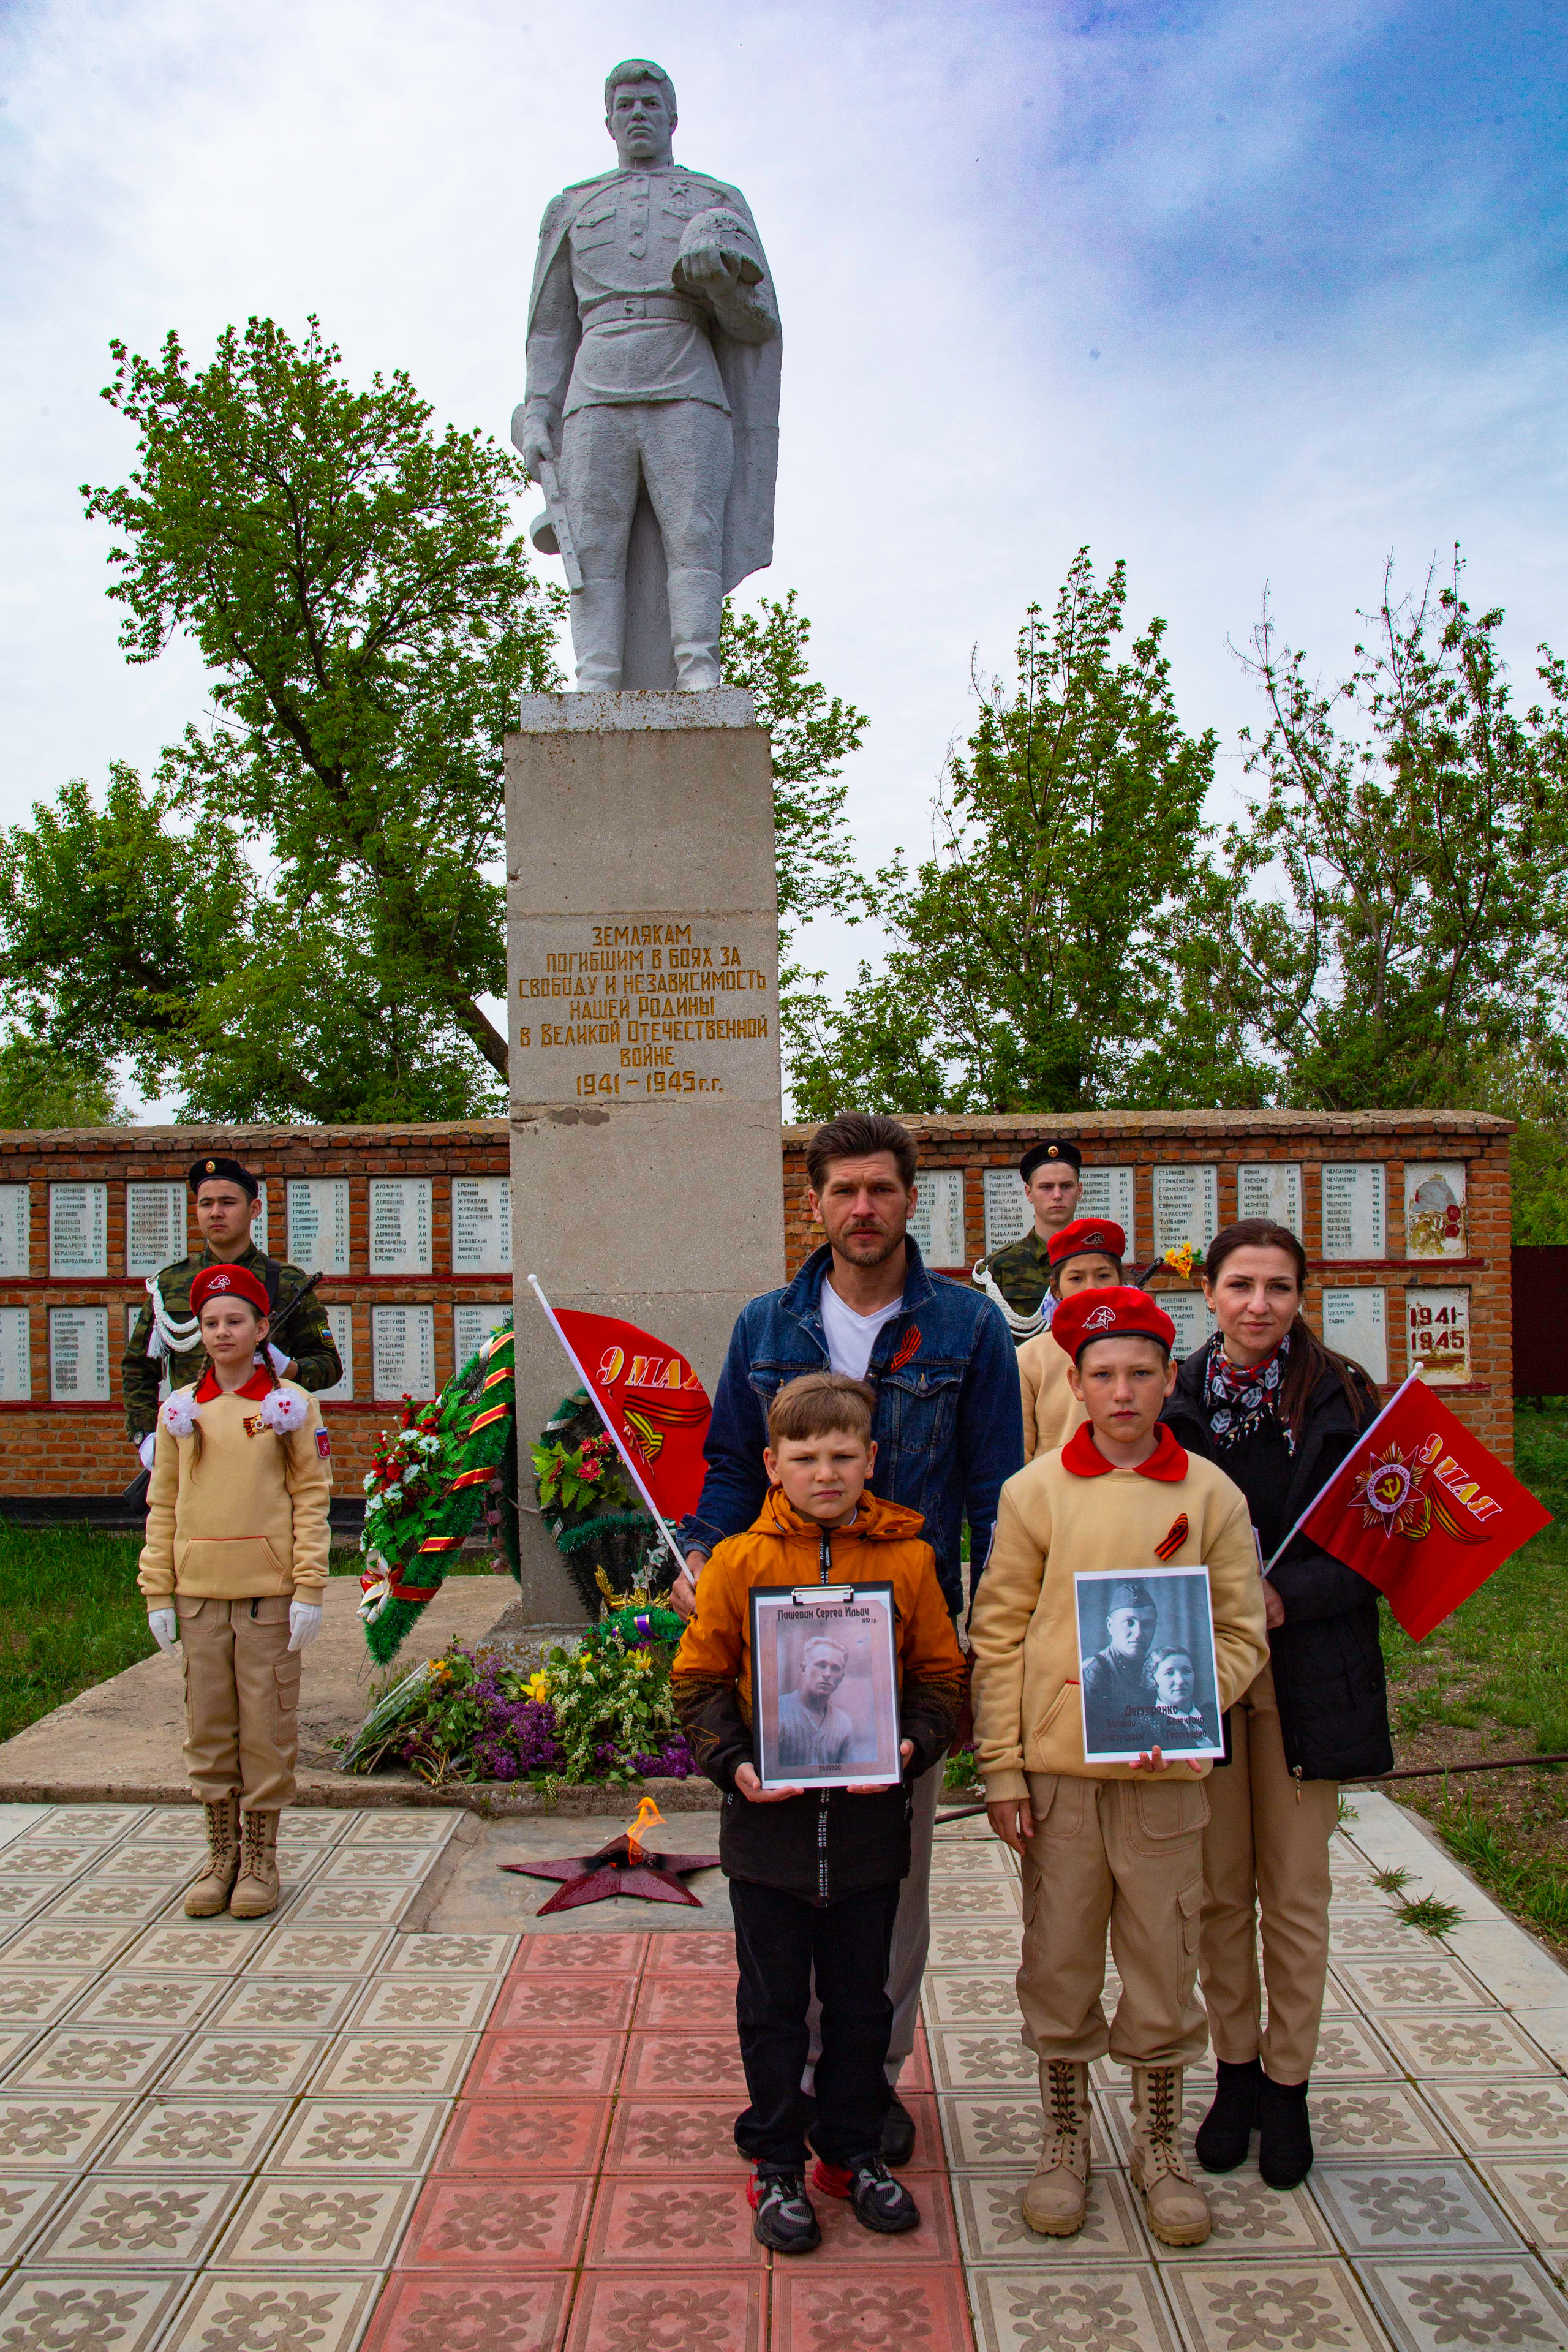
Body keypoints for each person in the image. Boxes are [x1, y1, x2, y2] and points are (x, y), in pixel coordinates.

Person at [673, 1110, 1023, 2166]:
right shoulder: (765, 1325)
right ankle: (794, 2078)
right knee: (783, 1876)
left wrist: (986, 1613)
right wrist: (701, 1551)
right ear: (814, 1202)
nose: (862, 1209)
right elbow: (734, 1463)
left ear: (911, 1198)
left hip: (897, 1637)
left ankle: (867, 2082)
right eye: (843, 1191)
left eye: (881, 1188)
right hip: (780, 1641)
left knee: (890, 1881)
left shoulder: (967, 1329)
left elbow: (994, 1485)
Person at [969, 1287, 1268, 2248]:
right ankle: (1063, 2137)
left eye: (1143, 1372)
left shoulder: (1211, 1495)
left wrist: (1187, 1708)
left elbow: (1239, 1629)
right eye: (1103, 1375)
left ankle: (1159, 2141)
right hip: (1060, 1776)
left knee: (1164, 1955)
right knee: (1057, 1956)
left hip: (1165, 1777)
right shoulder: (1035, 1492)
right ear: (1077, 1383)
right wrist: (1006, 1770)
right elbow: (1001, 1635)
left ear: (1169, 1377)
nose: (1124, 1392)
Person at [673, 1372, 965, 2255]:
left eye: (844, 1456)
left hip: (871, 1828)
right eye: (805, 1458)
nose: (826, 1473)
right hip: (771, 1833)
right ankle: (775, 2159)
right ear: (772, 1464)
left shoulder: (908, 1559)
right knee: (771, 2004)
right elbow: (698, 1680)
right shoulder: (739, 1562)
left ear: (872, 1458)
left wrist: (912, 1746)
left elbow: (941, 1678)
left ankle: (851, 2148)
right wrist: (734, 1762)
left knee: (859, 2002)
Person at [1162, 1217, 1391, 2192]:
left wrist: (1288, 1594)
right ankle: (1238, 2072)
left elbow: (1388, 1542)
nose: (1260, 1305)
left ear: (1303, 1297)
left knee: (1295, 1895)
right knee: (1217, 1892)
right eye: (1242, 1286)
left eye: (1280, 1288)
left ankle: (1290, 2087)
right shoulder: (1171, 1404)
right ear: (1208, 1295)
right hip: (1208, 1677)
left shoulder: (1345, 1396)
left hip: (1308, 1674)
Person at [518, 58, 781, 691]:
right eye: (626, 105)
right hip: (595, 388)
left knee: (694, 533)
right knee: (594, 544)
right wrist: (536, 410)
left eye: (650, 104)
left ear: (672, 118)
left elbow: (756, 323)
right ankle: (597, 682)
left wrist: (718, 285)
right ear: (608, 121)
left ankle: (699, 672)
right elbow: (551, 327)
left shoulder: (717, 203)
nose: (638, 114)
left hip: (686, 378)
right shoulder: (573, 207)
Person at [137, 1264, 332, 1920]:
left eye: (235, 1321)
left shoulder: (289, 1408)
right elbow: (162, 1505)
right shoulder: (180, 1413)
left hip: (267, 1599)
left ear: (259, 1330)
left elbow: (310, 1498)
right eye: (211, 1323)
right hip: (198, 1597)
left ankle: (260, 1858)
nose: (222, 1333)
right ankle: (219, 1854)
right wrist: (157, 1590)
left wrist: (308, 1585)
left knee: (266, 1731)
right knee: (209, 1728)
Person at [123, 1156, 341, 1472]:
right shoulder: (170, 1285)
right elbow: (139, 1368)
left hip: (266, 1444)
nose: (215, 1213)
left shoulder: (288, 1282)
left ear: (254, 1209)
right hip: (192, 1442)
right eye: (206, 1203)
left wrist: (287, 1368)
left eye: (228, 1202)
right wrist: (146, 1435)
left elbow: (328, 1366)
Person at [1016, 1218, 1125, 1458]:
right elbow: (1019, 1452)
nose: (1091, 1288)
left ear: (1121, 1282)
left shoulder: (1143, 1351)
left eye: (1104, 1276)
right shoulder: (1030, 1358)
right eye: (1076, 1279)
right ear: (1056, 1289)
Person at [973, 1139, 1085, 1344]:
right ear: (1029, 1193)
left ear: (1080, 1190)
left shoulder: (1099, 1263)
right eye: (1046, 1187)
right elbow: (976, 1342)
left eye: (1066, 1186)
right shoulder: (997, 1269)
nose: (1057, 1195)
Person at [1079, 1580, 1159, 1752]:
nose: (1138, 1633)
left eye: (1147, 1624)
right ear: (1110, 1625)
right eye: (1129, 1622)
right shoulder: (1094, 1671)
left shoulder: (1158, 1669)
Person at [777, 1637, 856, 1773]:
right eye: (821, 1665)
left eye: (835, 1668)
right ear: (804, 1669)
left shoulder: (844, 1724)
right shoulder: (779, 1710)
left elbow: (848, 1776)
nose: (827, 1674)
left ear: (841, 1678)